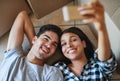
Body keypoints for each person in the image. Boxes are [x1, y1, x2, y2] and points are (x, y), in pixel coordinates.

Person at [54, 0, 117, 81]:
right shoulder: (59, 68)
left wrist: (101, 28)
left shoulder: (97, 65)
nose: (69, 45)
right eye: (64, 44)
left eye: (73, 40)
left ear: (83, 43)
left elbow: (106, 61)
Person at [0, 10, 63, 81]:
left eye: (54, 44)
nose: (48, 45)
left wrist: (38, 46)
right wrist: (35, 45)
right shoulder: (13, 56)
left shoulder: (51, 73)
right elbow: (22, 16)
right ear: (34, 39)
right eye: (46, 39)